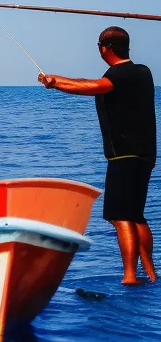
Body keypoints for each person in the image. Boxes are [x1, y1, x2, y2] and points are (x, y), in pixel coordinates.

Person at [38, 26, 157, 285]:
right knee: (136, 214)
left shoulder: (120, 75)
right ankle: (150, 272)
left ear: (105, 48)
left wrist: (55, 82)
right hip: (144, 155)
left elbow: (91, 87)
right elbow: (93, 84)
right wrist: (59, 80)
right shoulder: (142, 72)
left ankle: (129, 276)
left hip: (124, 156)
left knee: (121, 215)